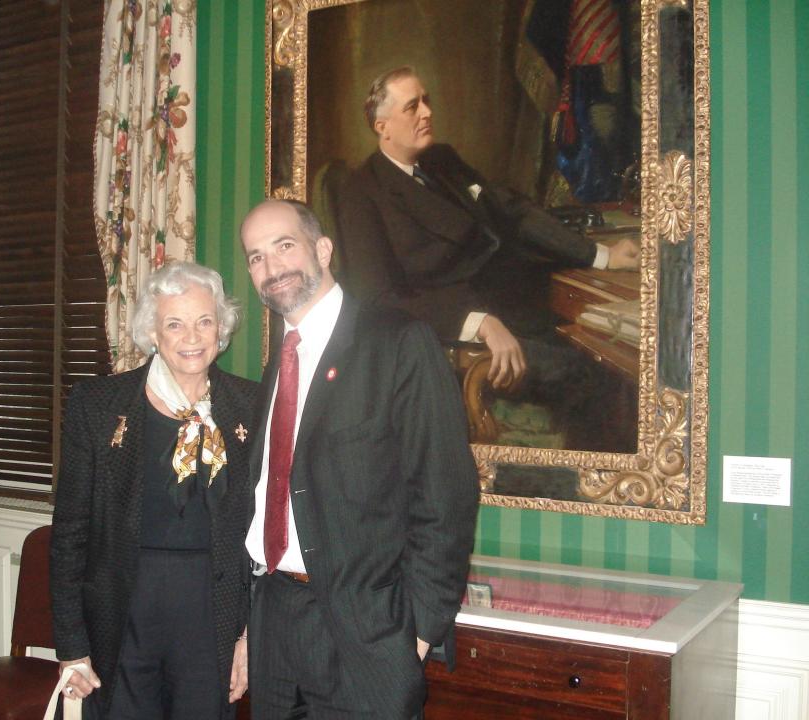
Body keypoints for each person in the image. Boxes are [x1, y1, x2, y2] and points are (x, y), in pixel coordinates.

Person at [240, 198, 479, 719]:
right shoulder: (280, 359)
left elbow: (447, 497)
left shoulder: (397, 342)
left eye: (284, 246)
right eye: (256, 256)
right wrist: (249, 624)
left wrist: (416, 632)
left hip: (368, 633)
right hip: (275, 621)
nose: (271, 267)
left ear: (323, 249)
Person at [335, 66, 640, 452]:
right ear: (383, 126)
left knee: (615, 357)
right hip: (461, 339)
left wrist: (601, 255)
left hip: (520, 306)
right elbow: (378, 300)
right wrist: (479, 324)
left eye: (426, 100)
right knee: (601, 378)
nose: (427, 112)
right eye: (413, 107)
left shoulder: (440, 160)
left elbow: (511, 209)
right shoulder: (362, 193)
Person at [50, 262, 258, 719]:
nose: (192, 336)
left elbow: (262, 536)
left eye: (204, 321)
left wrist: (249, 636)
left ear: (220, 328)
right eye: (175, 324)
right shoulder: (99, 405)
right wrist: (71, 644)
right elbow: (69, 534)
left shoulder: (251, 406)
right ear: (152, 332)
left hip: (213, 614)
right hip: (123, 615)